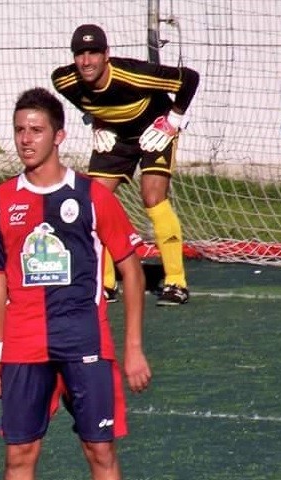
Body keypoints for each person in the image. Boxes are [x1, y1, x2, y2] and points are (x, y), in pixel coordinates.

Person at [0, 87, 152, 480]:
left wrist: (133, 348)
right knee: (19, 455)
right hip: (24, 344)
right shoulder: (1, 199)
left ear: (59, 136)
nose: (26, 139)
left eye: (36, 130)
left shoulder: (92, 196)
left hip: (85, 339)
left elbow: (132, 270)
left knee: (100, 451)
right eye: (19, 130)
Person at [51, 24, 200, 306]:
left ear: (106, 54)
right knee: (94, 200)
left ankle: (176, 283)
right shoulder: (63, 81)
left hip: (154, 130)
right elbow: (86, 102)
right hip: (117, 138)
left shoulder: (134, 74)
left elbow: (189, 79)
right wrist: (96, 121)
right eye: (80, 54)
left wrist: (173, 121)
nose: (87, 61)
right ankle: (105, 283)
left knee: (152, 197)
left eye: (94, 53)